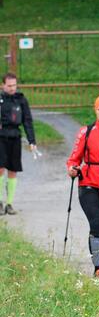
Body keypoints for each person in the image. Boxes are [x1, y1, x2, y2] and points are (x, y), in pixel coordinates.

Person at [66, 94, 99, 285]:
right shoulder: (86, 131)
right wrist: (72, 168)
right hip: (88, 184)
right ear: (95, 111)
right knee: (96, 225)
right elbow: (73, 159)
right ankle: (98, 268)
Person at [0, 72, 36, 215]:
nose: (12, 88)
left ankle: (9, 203)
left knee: (13, 170)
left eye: (14, 85)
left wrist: (32, 140)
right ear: (3, 85)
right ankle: (0, 202)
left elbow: (27, 120)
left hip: (15, 136)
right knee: (0, 169)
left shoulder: (21, 99)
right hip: (0, 137)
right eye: (9, 85)